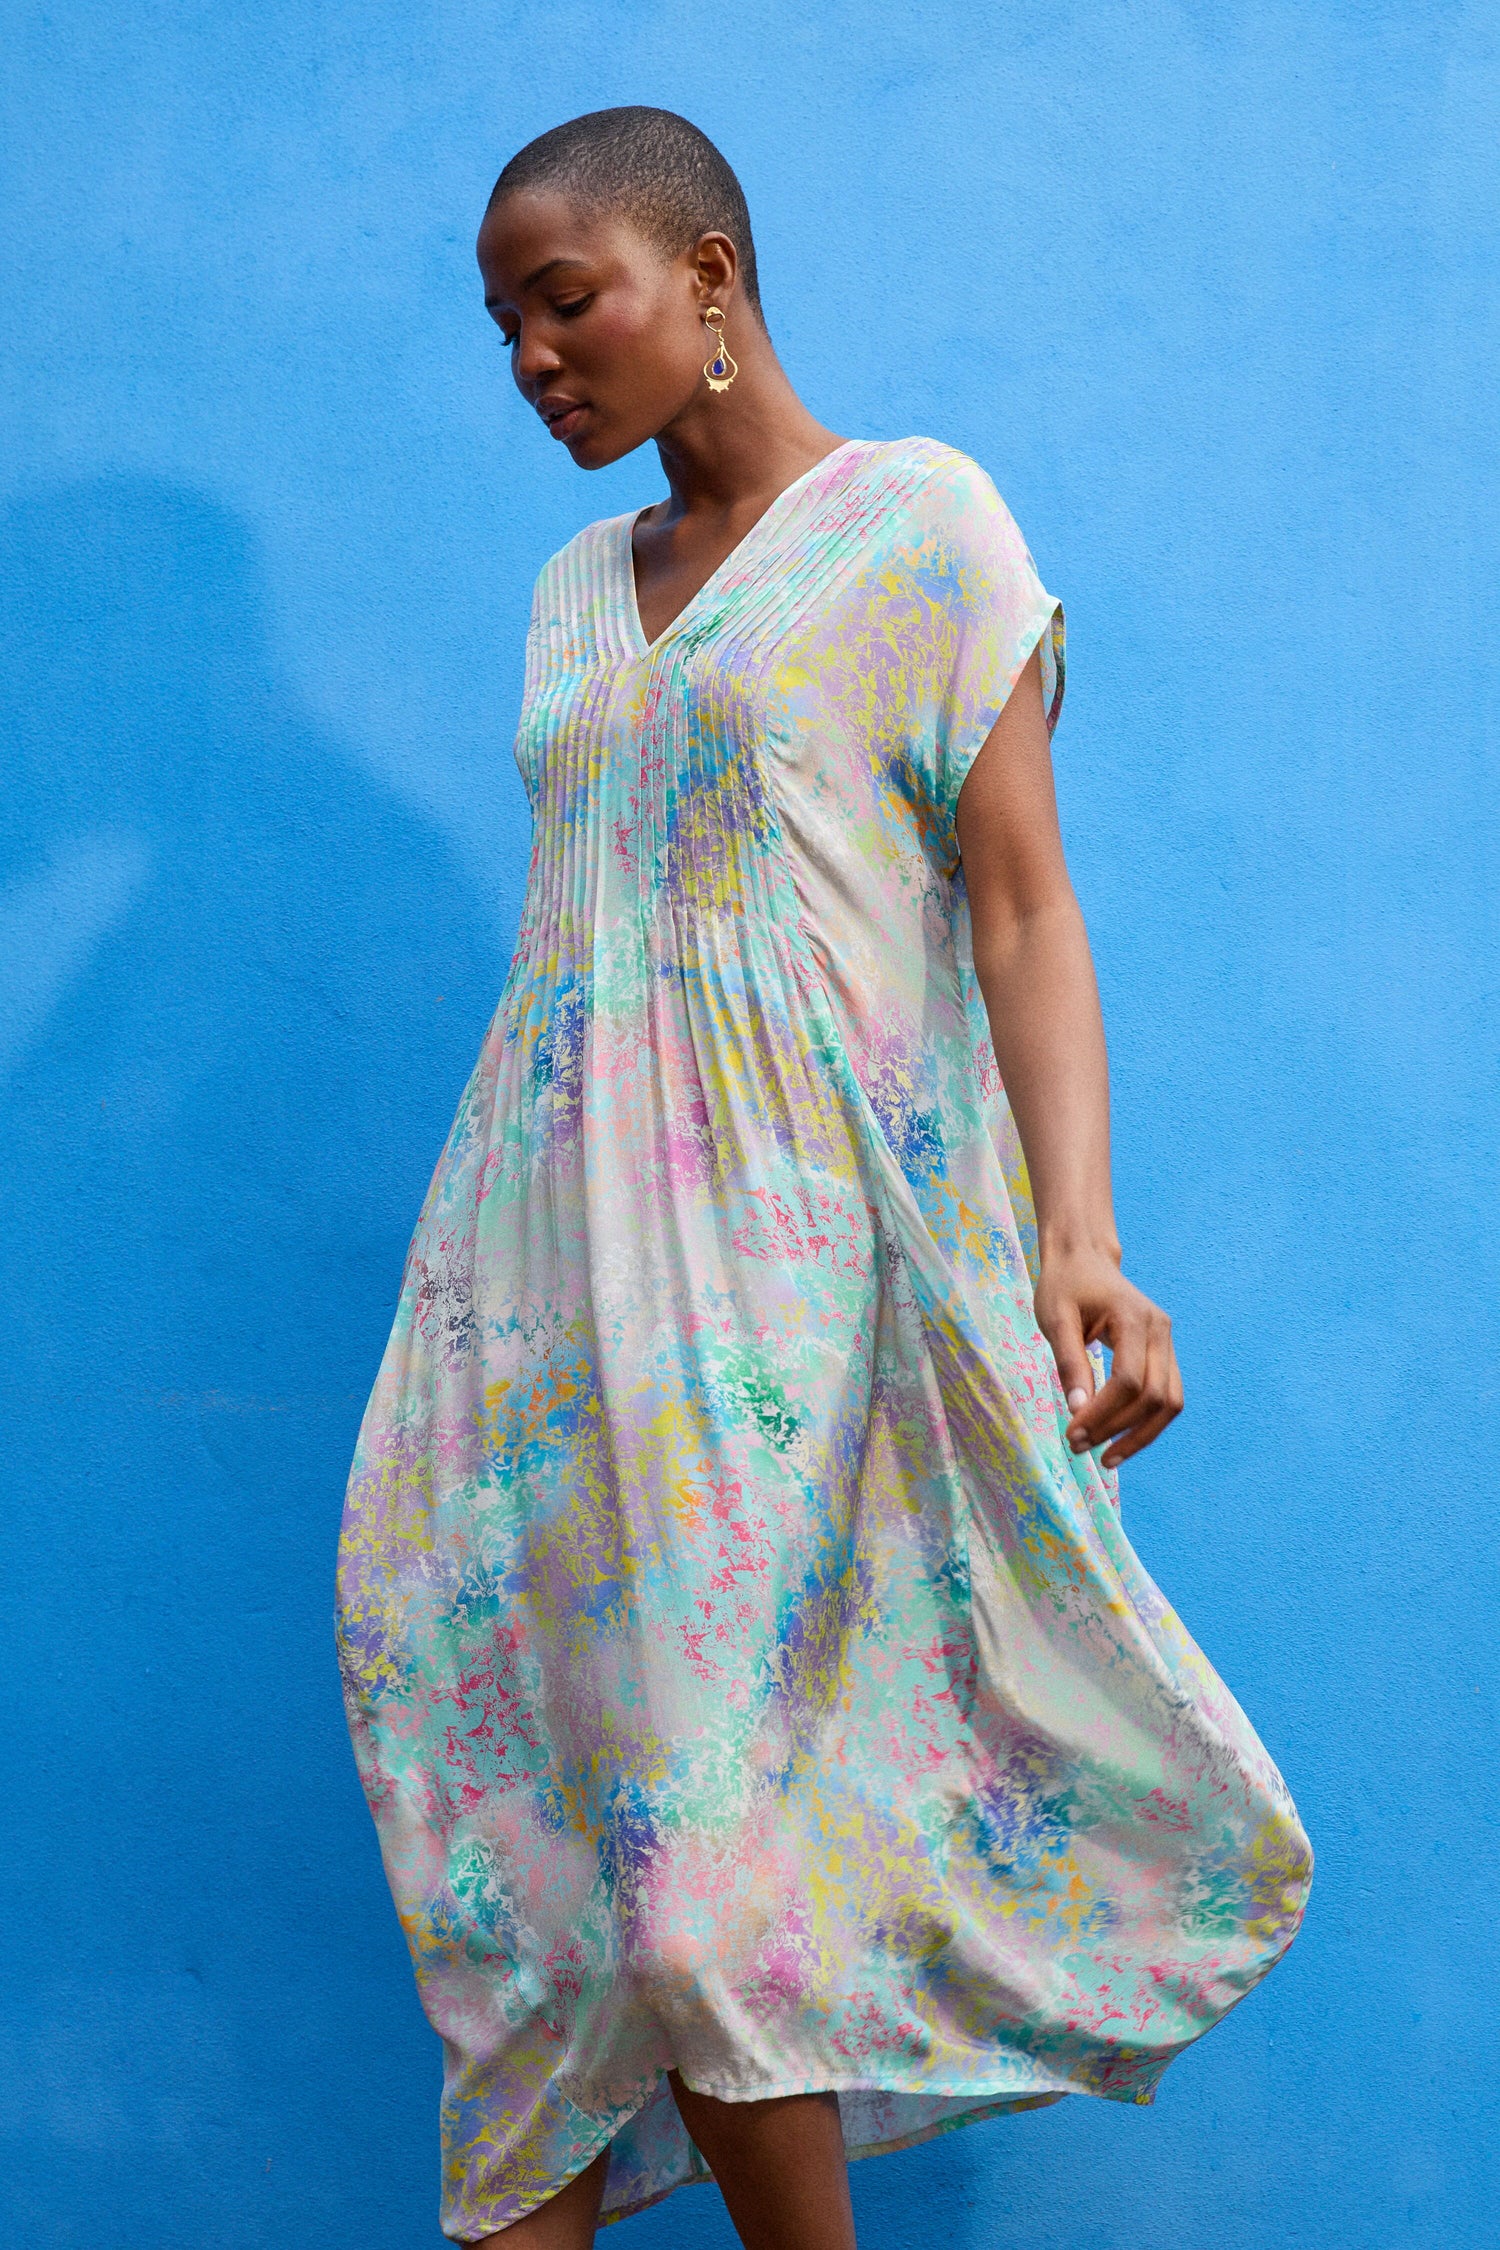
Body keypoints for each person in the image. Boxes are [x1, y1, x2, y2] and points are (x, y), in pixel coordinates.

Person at [337, 106, 1311, 2250]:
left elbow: (1024, 910)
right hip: (532, 1298)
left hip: (783, 1294)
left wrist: (1079, 1240)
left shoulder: (919, 525)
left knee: (696, 1886)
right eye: (499, 325)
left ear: (710, 279)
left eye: (562, 299)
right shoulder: (575, 593)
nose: (530, 359)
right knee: (525, 1882)